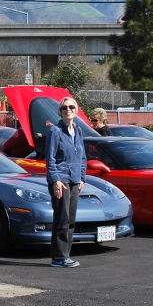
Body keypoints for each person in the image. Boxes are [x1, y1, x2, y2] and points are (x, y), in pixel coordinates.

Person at [45, 97, 86, 269]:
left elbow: (82, 157)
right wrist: (56, 180)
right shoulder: (55, 131)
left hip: (75, 180)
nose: (67, 110)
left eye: (71, 107)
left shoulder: (78, 130)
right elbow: (50, 158)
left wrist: (82, 178)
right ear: (60, 112)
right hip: (61, 180)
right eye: (64, 108)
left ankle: (66, 255)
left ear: (76, 111)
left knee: (71, 219)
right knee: (61, 218)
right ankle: (59, 257)